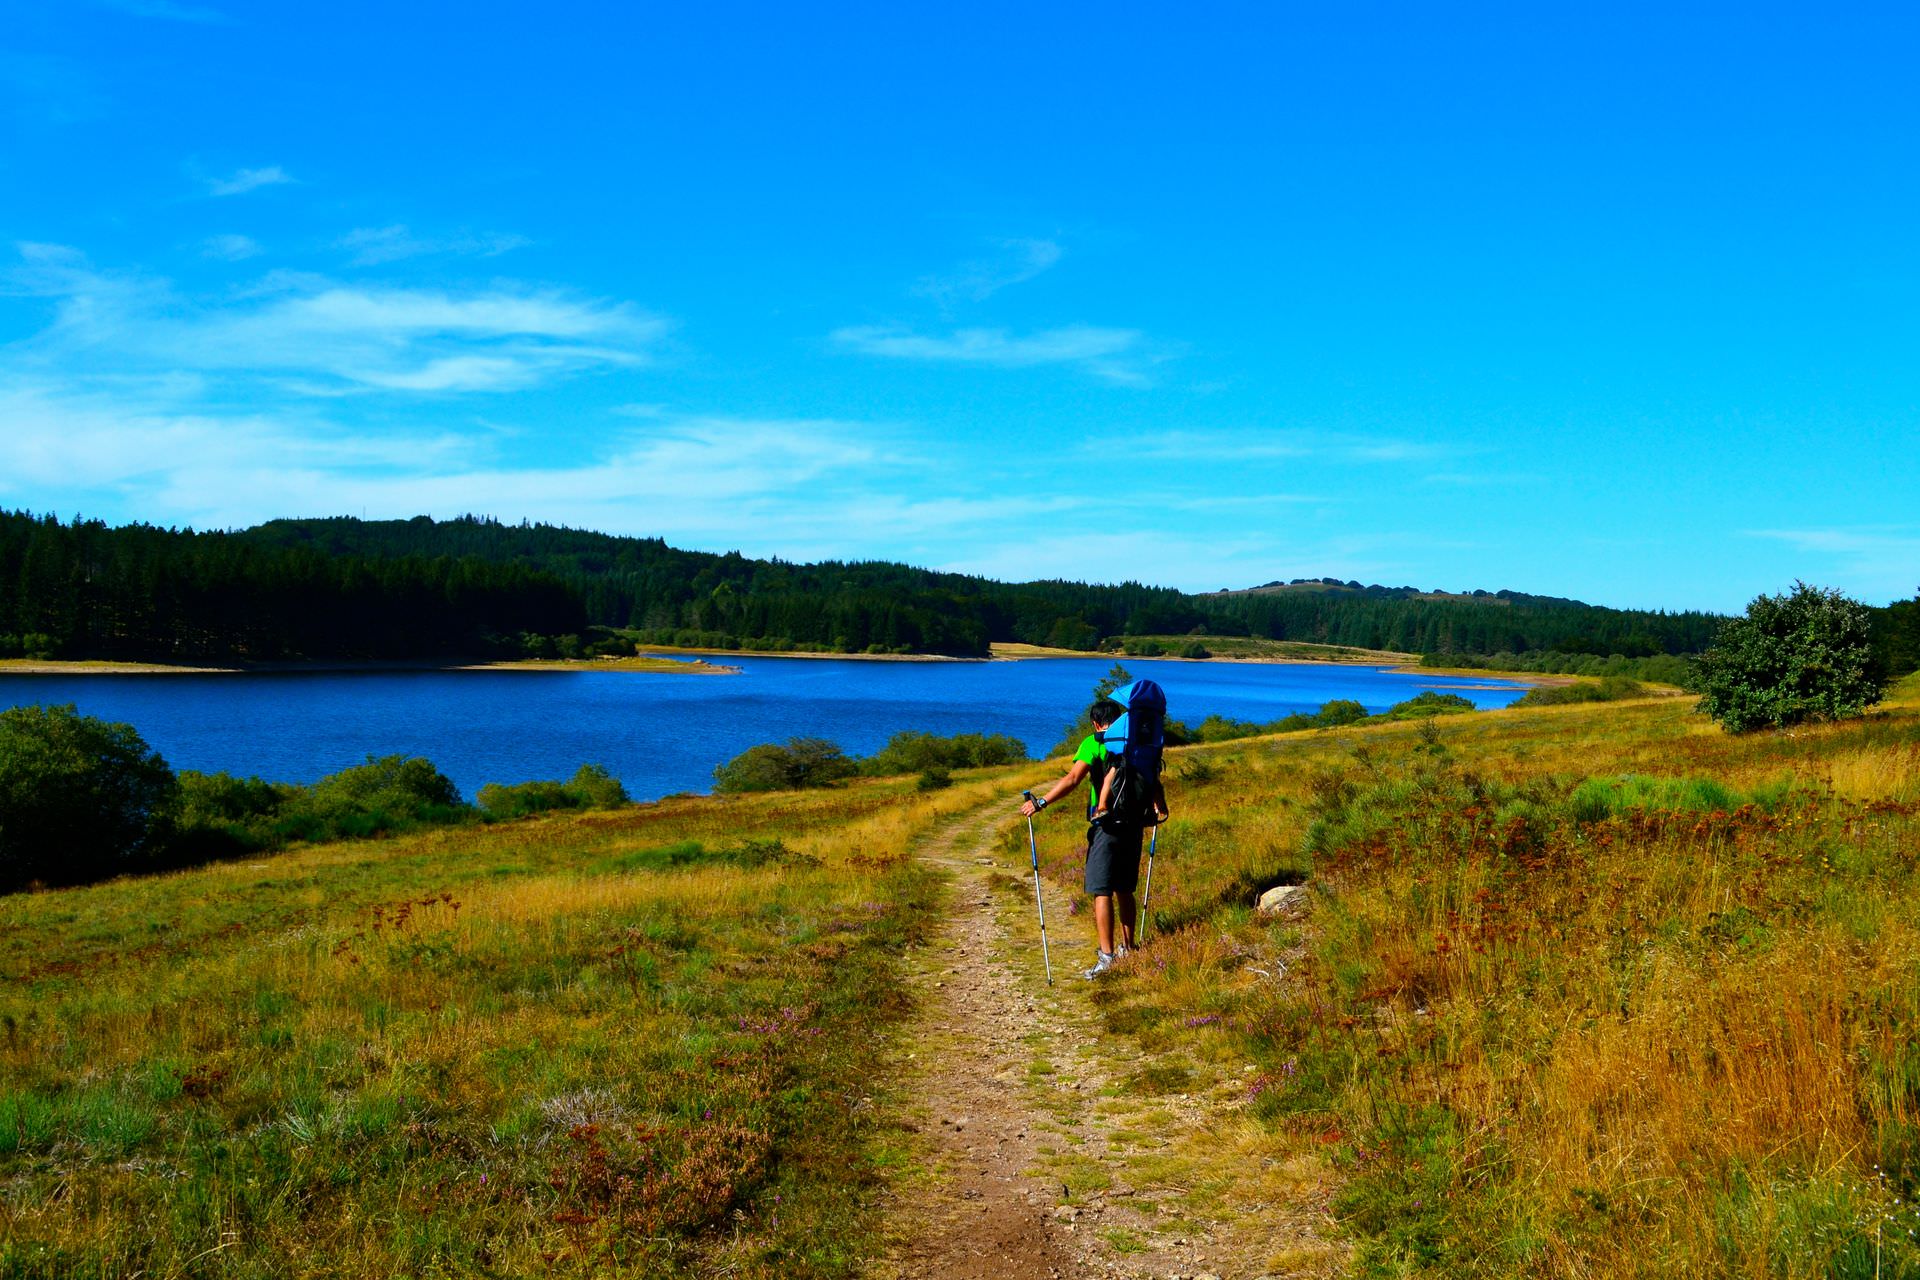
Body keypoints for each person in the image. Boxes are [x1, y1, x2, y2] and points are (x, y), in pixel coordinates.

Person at [1020, 698, 1168, 978]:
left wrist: (1040, 802)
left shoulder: (1093, 743)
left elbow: (1073, 779)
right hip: (1135, 824)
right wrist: (1160, 804)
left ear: (1096, 723)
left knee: (1102, 889)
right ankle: (1129, 948)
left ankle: (1107, 957)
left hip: (1106, 825)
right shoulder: (1136, 743)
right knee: (1124, 889)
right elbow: (1153, 778)